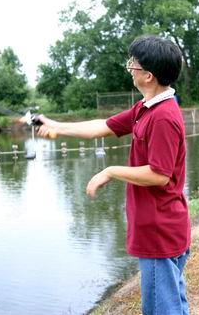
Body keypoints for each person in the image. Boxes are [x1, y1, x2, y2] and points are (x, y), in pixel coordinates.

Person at [35, 35, 191, 315]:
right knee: (171, 305)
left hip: (159, 229)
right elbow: (101, 126)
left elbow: (159, 175)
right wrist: (56, 125)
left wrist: (110, 171)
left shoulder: (163, 117)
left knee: (162, 309)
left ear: (147, 75)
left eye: (133, 63)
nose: (129, 67)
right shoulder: (146, 108)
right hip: (160, 226)